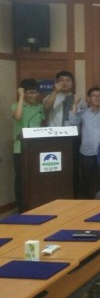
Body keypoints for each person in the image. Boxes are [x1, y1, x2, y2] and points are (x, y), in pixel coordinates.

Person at [68, 87, 100, 199]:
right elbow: (72, 121)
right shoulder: (83, 113)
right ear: (88, 99)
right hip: (86, 151)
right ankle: (85, 202)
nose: (97, 98)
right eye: (94, 96)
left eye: (99, 96)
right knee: (85, 179)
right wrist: (75, 104)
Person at [12, 79, 45, 212]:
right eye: (30, 93)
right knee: (21, 180)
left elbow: (42, 124)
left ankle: (35, 205)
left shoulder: (39, 107)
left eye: (36, 92)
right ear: (24, 92)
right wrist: (20, 97)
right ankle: (22, 208)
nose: (33, 95)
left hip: (36, 150)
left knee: (35, 179)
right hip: (20, 149)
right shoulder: (16, 106)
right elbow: (18, 117)